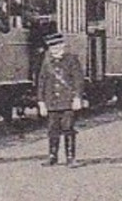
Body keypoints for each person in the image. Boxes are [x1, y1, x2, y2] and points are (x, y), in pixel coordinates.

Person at [37, 32, 87, 166]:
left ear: (63, 46)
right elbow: (41, 81)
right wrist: (41, 102)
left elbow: (78, 80)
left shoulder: (71, 59)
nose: (55, 49)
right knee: (52, 129)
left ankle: (70, 158)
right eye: (52, 47)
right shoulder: (46, 61)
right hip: (51, 101)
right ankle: (52, 156)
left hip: (67, 100)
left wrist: (77, 98)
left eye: (58, 46)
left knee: (68, 127)